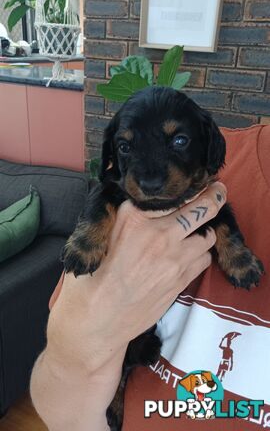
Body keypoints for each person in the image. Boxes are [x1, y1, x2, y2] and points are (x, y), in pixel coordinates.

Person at [30, 124, 270, 431]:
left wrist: (234, 253)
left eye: (179, 142)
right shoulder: (125, 217)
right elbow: (61, 412)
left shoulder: (206, 159)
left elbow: (222, 221)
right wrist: (79, 337)